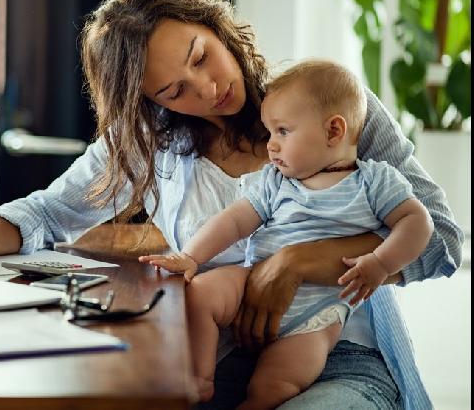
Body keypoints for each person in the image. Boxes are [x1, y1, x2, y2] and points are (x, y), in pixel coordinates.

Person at [0, 0, 462, 409]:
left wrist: (294, 263)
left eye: (201, 57)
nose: (207, 89)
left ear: (215, 27)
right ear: (151, 102)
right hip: (215, 360)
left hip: (338, 354)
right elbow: (47, 212)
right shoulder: (149, 140)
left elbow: (441, 241)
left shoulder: (327, 105)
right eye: (174, 90)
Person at [138, 60, 433, 408]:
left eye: (282, 132)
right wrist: (191, 257)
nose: (271, 146)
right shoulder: (276, 181)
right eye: (269, 132)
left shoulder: (374, 182)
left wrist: (382, 262)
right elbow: (234, 221)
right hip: (254, 281)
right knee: (200, 293)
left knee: (274, 385)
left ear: (333, 131)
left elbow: (418, 222)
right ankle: (199, 380)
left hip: (317, 315)